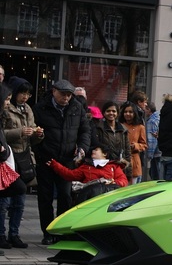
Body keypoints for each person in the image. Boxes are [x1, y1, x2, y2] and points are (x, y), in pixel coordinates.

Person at [33, 79, 91, 245]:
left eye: (69, 95)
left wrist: (82, 148)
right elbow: (33, 132)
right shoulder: (41, 108)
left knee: (65, 196)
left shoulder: (76, 107)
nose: (66, 98)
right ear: (54, 92)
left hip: (67, 161)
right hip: (46, 159)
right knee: (45, 197)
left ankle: (61, 230)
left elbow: (85, 131)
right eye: (63, 94)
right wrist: (39, 150)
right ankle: (48, 232)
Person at [0, 80, 40, 249]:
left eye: (28, 94)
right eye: (22, 93)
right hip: (9, 160)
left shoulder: (28, 109)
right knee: (4, 201)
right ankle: (1, 234)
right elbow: (3, 133)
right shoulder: (5, 109)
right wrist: (20, 132)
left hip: (24, 159)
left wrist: (38, 133)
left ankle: (14, 234)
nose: (25, 97)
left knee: (20, 200)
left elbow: (33, 139)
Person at [47, 143, 128, 205]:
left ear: (105, 154)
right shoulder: (86, 166)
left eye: (96, 150)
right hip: (89, 200)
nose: (93, 151)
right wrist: (55, 165)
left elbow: (123, 180)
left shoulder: (114, 166)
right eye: (93, 150)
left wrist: (114, 183)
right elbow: (70, 175)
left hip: (108, 199)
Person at [94, 101, 131, 178]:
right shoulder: (98, 128)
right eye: (108, 111)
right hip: (104, 168)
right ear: (104, 113)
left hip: (120, 168)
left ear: (117, 113)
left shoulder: (123, 130)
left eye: (114, 111)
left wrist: (128, 171)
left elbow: (127, 151)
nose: (111, 113)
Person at [119, 101, 147, 184]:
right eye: (125, 112)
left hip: (134, 162)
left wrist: (136, 146)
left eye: (130, 112)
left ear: (134, 113)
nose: (127, 114)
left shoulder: (140, 127)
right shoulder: (119, 125)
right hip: (120, 161)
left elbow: (144, 145)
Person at [145, 101, 162, 180]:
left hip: (156, 153)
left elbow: (151, 140)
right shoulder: (159, 117)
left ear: (148, 109)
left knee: (155, 177)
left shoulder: (151, 121)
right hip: (161, 152)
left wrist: (149, 155)